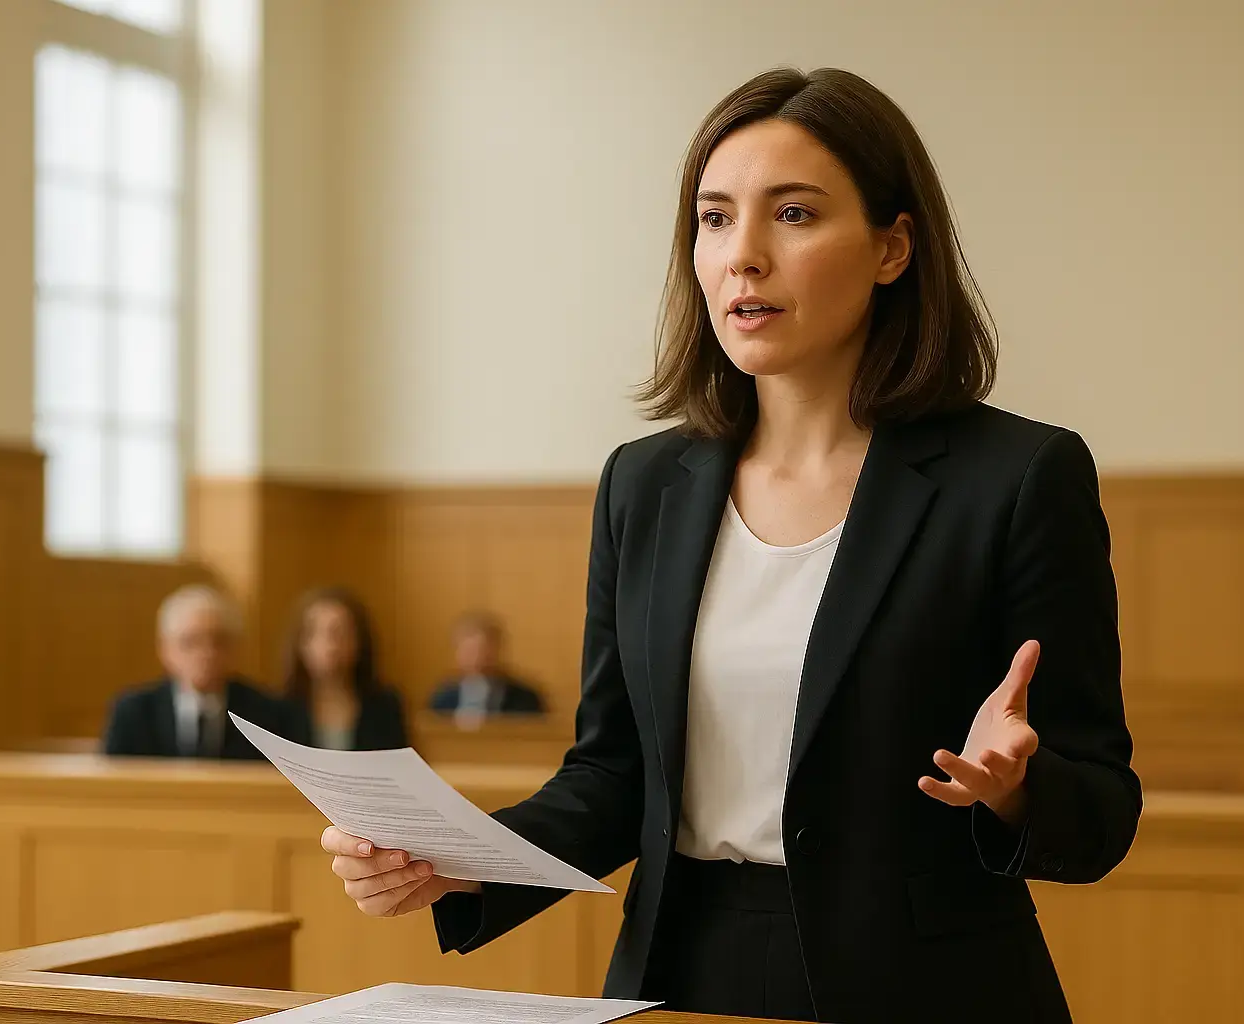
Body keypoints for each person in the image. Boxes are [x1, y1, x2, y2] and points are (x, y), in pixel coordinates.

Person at [321, 67, 1140, 1023]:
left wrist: (1016, 789)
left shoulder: (1018, 478)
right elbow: (612, 777)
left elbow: (1102, 812)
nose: (743, 256)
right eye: (714, 219)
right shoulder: (644, 485)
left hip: (925, 989)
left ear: (892, 247)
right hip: (683, 969)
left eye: (793, 215)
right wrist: (454, 862)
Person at [104, 584, 306, 759]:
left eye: (219, 641)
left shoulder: (269, 716)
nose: (207, 653)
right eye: (190, 642)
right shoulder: (134, 713)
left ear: (236, 648)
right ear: (165, 649)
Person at [281, 586, 409, 751]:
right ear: (299, 643)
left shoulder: (385, 707)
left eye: (339, 633)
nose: (329, 646)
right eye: (314, 633)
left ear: (359, 642)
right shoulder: (282, 708)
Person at [427, 611, 546, 724]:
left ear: (498, 650)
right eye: (470, 652)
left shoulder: (525, 698)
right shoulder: (444, 698)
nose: (477, 659)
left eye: (483, 651)